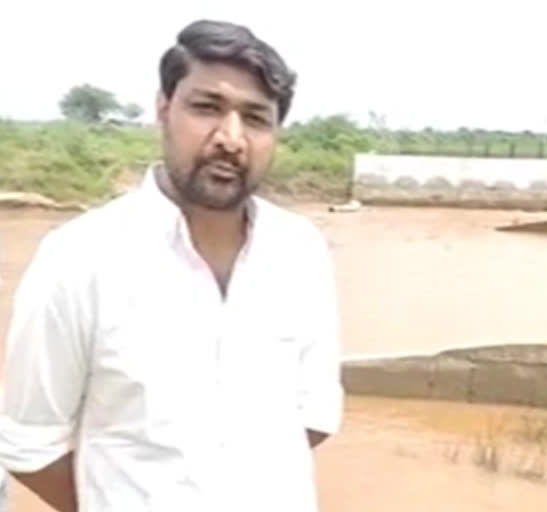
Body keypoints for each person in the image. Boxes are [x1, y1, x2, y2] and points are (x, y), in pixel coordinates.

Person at [0, 19, 343, 512]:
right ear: (164, 110)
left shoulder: (300, 251)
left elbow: (311, 416)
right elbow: (29, 444)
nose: (230, 137)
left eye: (255, 118)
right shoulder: (79, 259)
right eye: (206, 108)